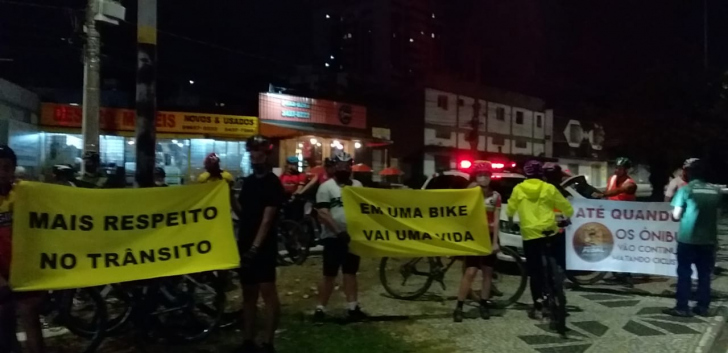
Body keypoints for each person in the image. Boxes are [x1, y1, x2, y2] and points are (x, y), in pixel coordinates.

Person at [232, 135, 284, 353]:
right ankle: (248, 340)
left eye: (258, 151)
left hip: (263, 246)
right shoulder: (249, 182)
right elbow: (243, 214)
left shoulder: (273, 183)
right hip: (246, 243)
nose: (254, 155)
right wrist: (228, 196)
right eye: (251, 151)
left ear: (266, 154)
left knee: (267, 292)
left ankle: (268, 342)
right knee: (248, 294)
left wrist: (255, 248)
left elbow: (267, 219)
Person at [506, 160, 574, 320]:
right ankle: (557, 289)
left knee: (535, 271)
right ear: (541, 174)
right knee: (555, 262)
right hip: (549, 231)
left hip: (530, 234)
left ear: (526, 174)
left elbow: (510, 209)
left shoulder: (518, 189)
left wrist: (510, 222)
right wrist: (567, 218)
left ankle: (538, 304)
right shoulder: (549, 188)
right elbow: (567, 208)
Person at [0, 146, 45, 353]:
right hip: (1, 276)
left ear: (14, 169)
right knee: (5, 324)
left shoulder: (24, 194)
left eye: (6, 168)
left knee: (31, 320)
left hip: (25, 271)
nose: (1, 173)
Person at [313, 151, 367, 322]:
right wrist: (338, 231)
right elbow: (323, 213)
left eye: (347, 165)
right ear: (335, 167)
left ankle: (352, 307)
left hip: (352, 237)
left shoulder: (357, 185)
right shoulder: (326, 187)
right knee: (329, 274)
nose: (344, 168)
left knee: (350, 272)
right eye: (340, 165)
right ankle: (320, 309)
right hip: (333, 238)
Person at [664, 158, 720, 318]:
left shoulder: (685, 190)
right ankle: (702, 307)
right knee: (704, 275)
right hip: (708, 240)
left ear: (691, 173)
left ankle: (682, 308)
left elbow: (675, 216)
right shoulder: (715, 191)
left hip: (687, 240)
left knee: (684, 274)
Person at [454, 161, 501, 322]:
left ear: (491, 177)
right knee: (470, 272)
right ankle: (459, 306)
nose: (484, 178)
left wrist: (495, 243)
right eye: (480, 175)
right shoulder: (471, 192)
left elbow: (496, 220)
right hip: (474, 238)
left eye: (486, 175)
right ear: (475, 177)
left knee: (487, 273)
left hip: (488, 237)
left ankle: (484, 304)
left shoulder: (496, 196)